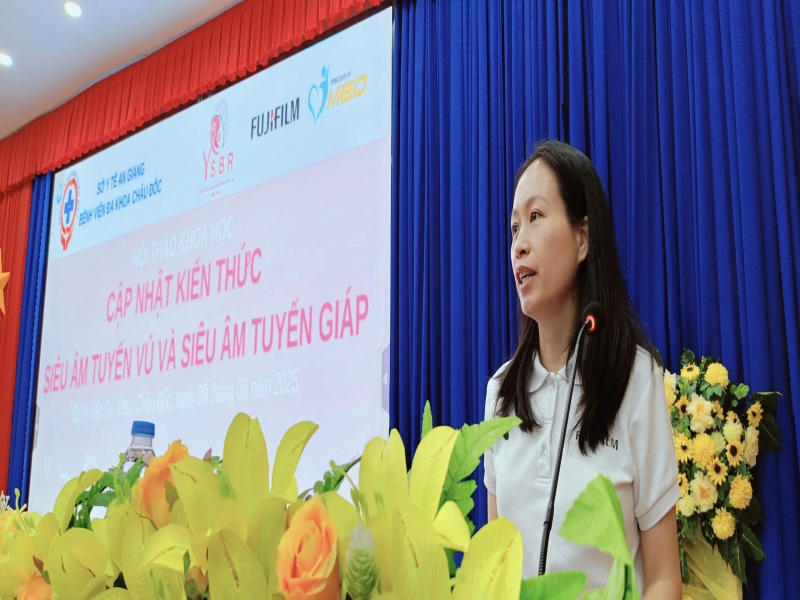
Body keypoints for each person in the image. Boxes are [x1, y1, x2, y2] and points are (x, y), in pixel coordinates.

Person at [483, 140, 681, 598]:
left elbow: (663, 578)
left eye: (536, 216)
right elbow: (494, 573)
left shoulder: (634, 379)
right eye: (513, 228)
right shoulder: (500, 393)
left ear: (582, 238)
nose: (519, 245)